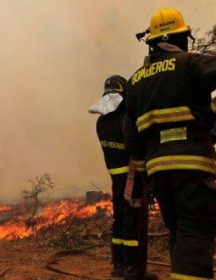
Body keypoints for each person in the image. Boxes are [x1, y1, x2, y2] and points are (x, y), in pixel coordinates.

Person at [123, 7, 216, 280]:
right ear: (179, 39)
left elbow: (131, 136)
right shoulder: (189, 63)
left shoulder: (134, 82)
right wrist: (214, 112)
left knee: (179, 234)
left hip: (159, 173)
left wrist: (145, 174)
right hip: (192, 164)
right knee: (194, 235)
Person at [89, 75, 157, 280]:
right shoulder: (127, 120)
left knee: (119, 219)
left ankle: (118, 267)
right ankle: (133, 269)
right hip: (132, 175)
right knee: (132, 221)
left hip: (116, 178)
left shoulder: (101, 122)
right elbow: (138, 144)